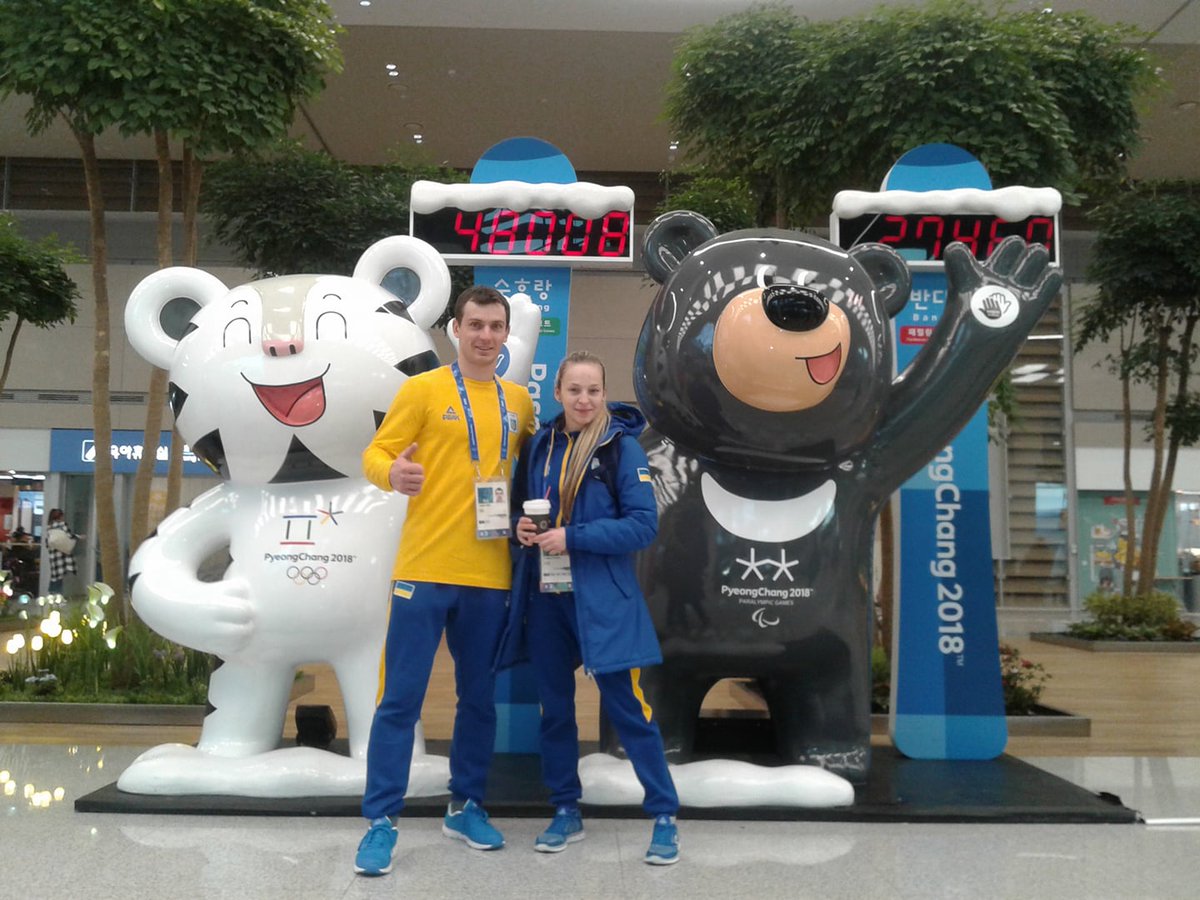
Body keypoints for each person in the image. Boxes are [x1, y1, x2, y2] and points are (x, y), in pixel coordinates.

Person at [354, 285, 537, 877]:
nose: (485, 336)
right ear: (455, 330)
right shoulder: (423, 390)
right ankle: (381, 821)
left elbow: (533, 472)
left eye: (495, 326)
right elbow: (375, 453)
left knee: (479, 700)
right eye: (475, 324)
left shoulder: (518, 402)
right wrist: (393, 474)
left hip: (490, 575)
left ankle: (466, 806)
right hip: (424, 570)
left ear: (506, 334)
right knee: (400, 700)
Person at [498, 350, 681, 865]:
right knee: (555, 711)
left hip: (604, 599)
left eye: (593, 391)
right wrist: (521, 528)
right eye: (574, 390)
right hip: (547, 599)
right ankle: (565, 809)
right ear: (557, 392)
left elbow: (642, 526)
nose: (584, 400)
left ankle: (664, 815)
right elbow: (518, 512)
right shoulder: (539, 445)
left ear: (604, 394)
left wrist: (572, 537)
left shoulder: (622, 449)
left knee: (629, 711)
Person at [43, 509, 79, 595]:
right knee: (60, 576)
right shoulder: (63, 525)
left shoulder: (49, 527)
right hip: (62, 555)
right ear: (60, 517)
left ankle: (52, 593)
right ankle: (58, 594)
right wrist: (79, 537)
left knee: (54, 575)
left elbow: (47, 542)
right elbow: (70, 536)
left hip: (53, 555)